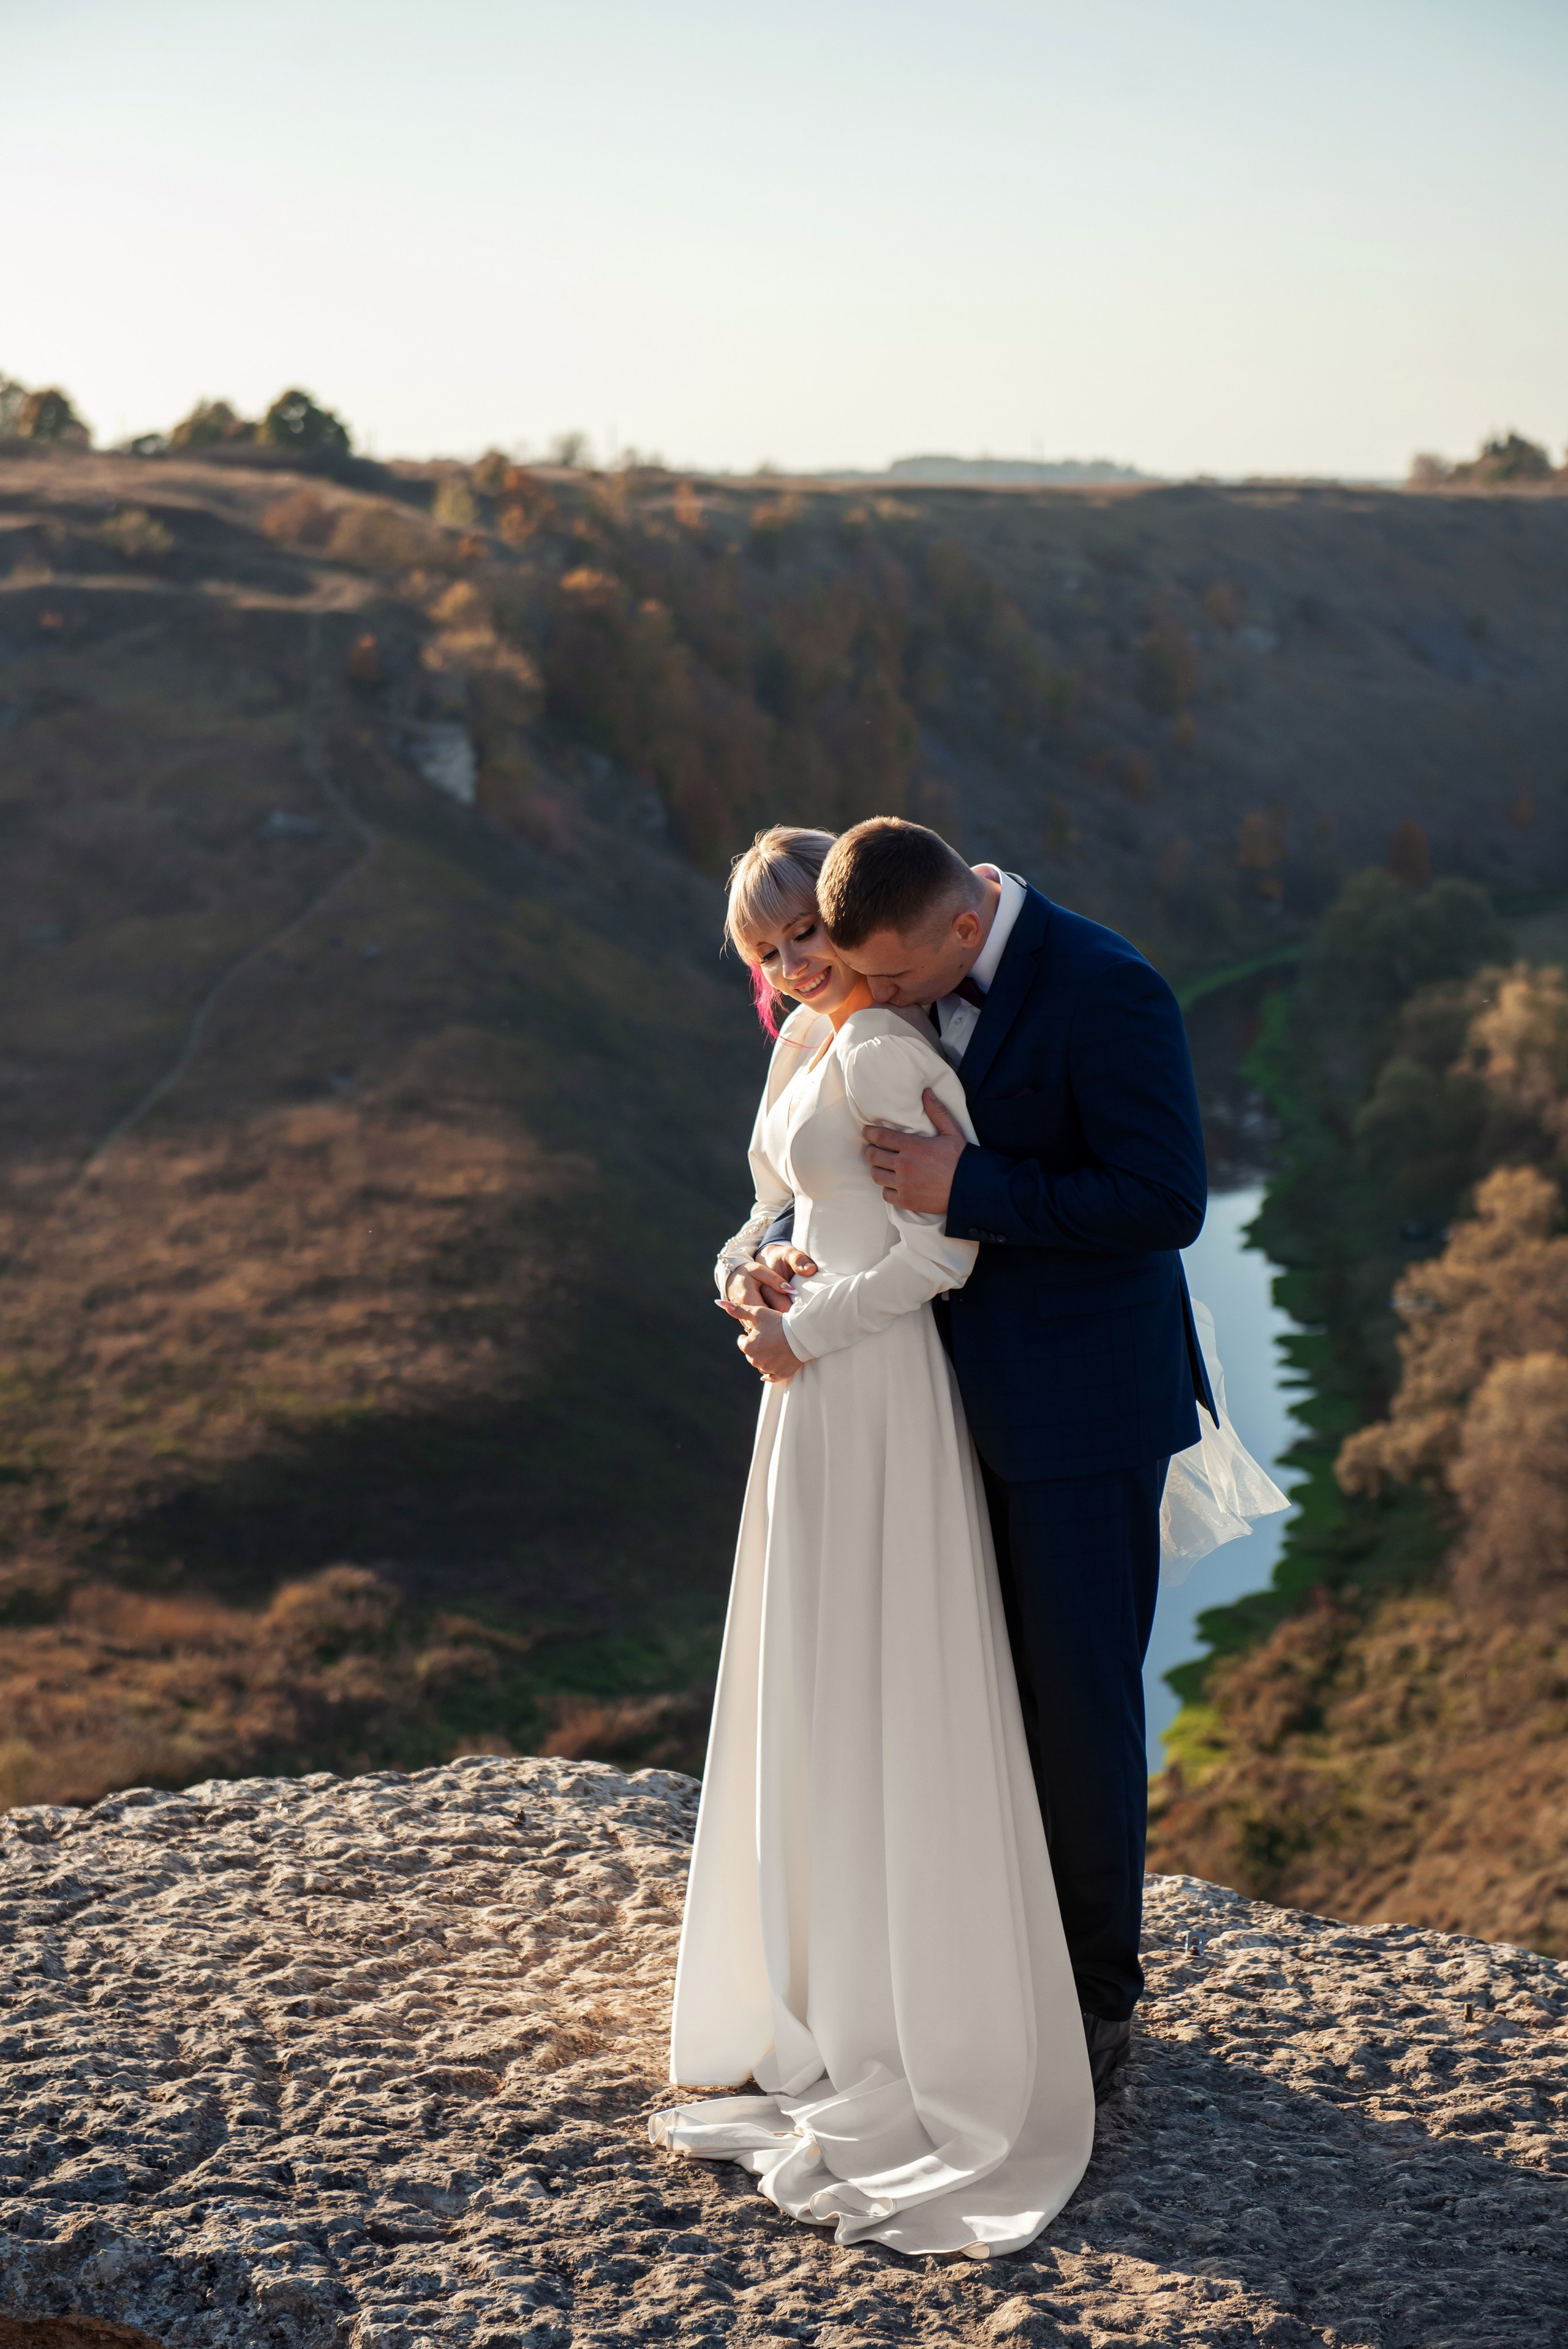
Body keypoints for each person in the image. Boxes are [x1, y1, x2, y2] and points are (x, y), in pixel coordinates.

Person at [714, 818, 1220, 2095]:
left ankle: (1095, 1998)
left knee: (1072, 1701)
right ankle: (965, 1962)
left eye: (881, 976)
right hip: (921, 1409)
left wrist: (970, 1185)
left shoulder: (1107, 986)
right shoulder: (880, 972)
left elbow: (1162, 1202)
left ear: (957, 926)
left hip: (1075, 1412)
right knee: (951, 1694)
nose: (855, 992)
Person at [650, 826, 1096, 2258]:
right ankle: (817, 1979)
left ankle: (919, 2011)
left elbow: (938, 1249)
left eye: (803, 939)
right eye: (764, 955)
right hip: (809, 1392)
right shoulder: (806, 1047)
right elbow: (781, 1205)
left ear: (848, 929)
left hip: (874, 1385)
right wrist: (748, 1268)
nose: (789, 969)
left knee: (886, 1663)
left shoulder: (893, 1055)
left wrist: (808, 1326)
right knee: (813, 1671)